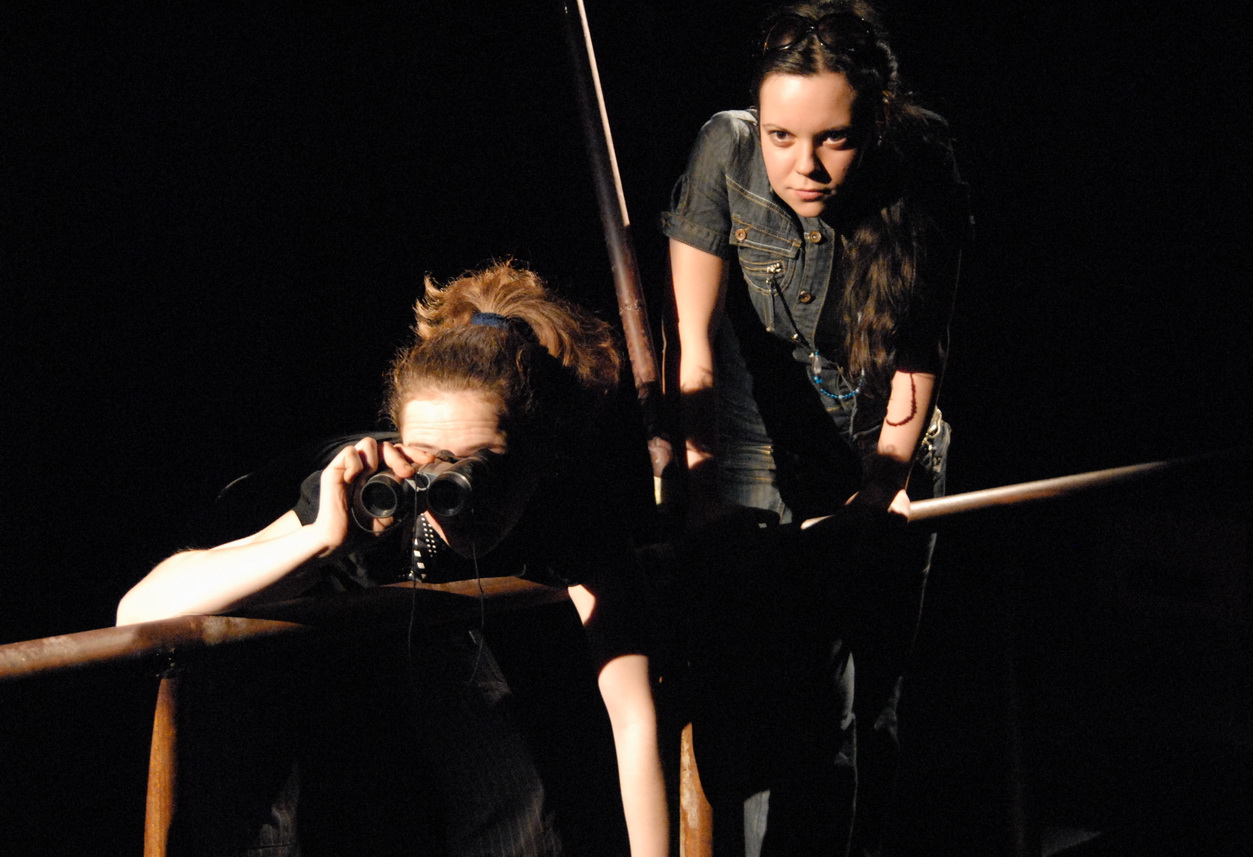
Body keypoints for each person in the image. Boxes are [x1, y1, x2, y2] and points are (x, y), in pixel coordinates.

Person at [117, 261, 669, 857]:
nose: (455, 495)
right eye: (428, 458)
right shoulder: (354, 485)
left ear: (543, 456)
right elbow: (137, 613)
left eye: (482, 465)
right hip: (315, 733)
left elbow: (635, 720)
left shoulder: (569, 507)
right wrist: (319, 540)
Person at [661, 2, 969, 855]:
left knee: (872, 696)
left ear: (876, 119)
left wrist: (884, 484)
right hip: (758, 445)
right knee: (783, 697)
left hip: (886, 443)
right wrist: (699, 485)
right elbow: (693, 342)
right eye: (782, 136)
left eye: (834, 138)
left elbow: (922, 352)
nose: (805, 165)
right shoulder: (724, 149)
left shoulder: (922, 168)